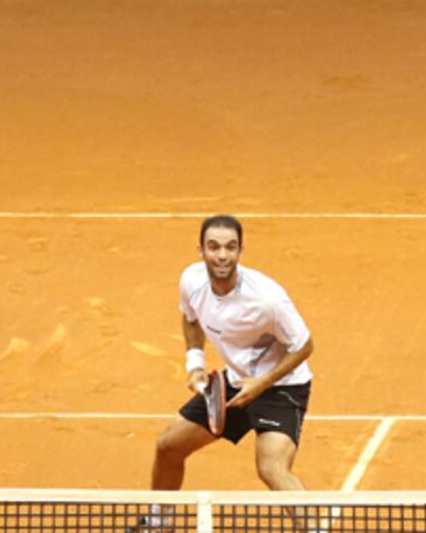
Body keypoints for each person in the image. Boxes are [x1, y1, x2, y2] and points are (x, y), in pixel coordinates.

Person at [132, 214, 315, 531]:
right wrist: (195, 365)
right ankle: (159, 524)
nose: (222, 255)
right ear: (201, 250)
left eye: (230, 247)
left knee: (272, 468)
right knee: (168, 447)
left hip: (281, 385)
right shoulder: (192, 282)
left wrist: (262, 383)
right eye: (214, 247)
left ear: (240, 250)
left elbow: (304, 346)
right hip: (234, 381)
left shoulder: (267, 299)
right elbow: (190, 318)